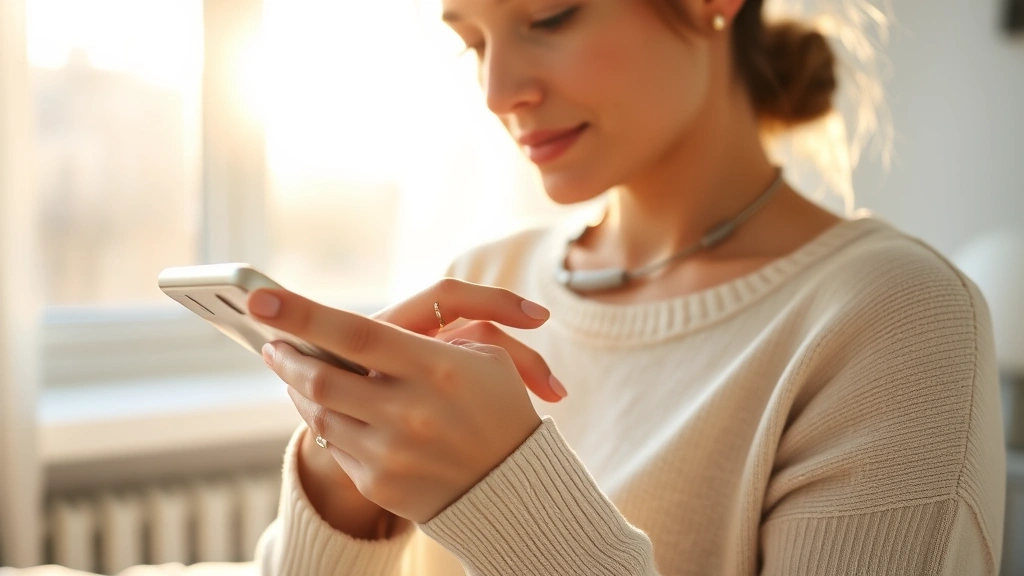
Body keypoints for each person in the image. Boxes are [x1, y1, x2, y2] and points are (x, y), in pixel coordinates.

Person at [7, 0, 1004, 574]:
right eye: (471, 38)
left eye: (548, 15)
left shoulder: (892, 317)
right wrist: (337, 489)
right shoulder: (491, 278)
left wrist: (506, 495)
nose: (495, 91)